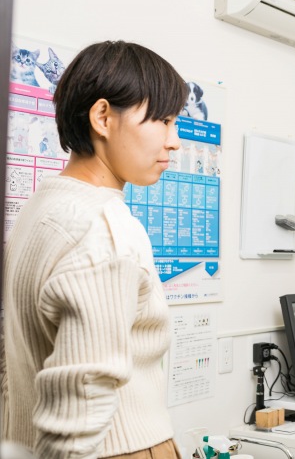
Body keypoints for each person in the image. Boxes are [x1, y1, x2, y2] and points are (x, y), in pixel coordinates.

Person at [2, 41, 187, 458]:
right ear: (103, 117)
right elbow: (83, 395)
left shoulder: (40, 208)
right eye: (162, 120)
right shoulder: (104, 226)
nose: (174, 142)